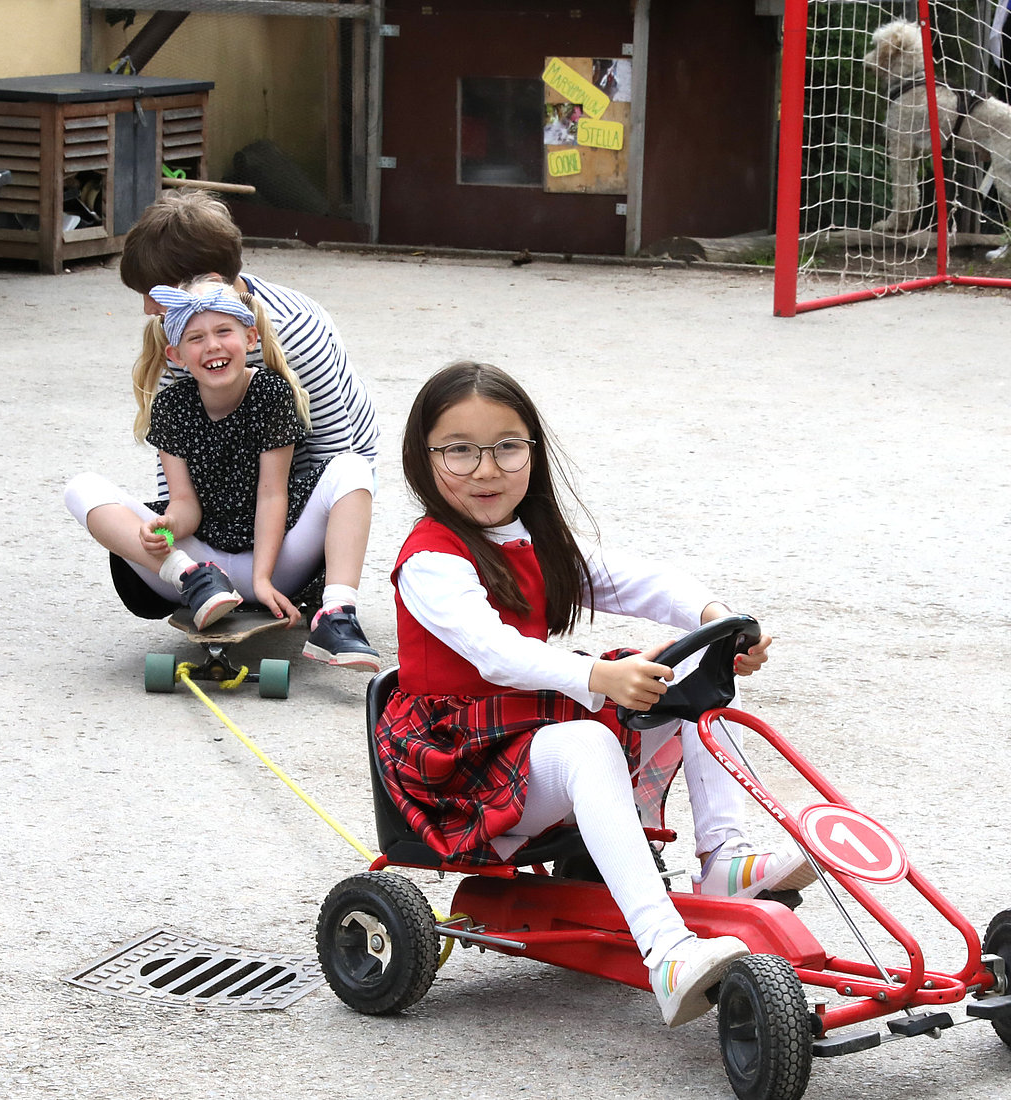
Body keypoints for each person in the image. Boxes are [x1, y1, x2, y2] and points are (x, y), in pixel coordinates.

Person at [376, 361, 814, 1027]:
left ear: (532, 451)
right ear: (423, 457)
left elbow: (637, 581)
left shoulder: (532, 538)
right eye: (459, 450)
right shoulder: (431, 560)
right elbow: (496, 652)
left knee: (691, 682)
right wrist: (597, 677)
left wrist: (717, 618)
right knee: (587, 741)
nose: (486, 469)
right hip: (460, 761)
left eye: (507, 447)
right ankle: (667, 952)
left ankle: (723, 857)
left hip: (525, 730)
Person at [65, 280, 379, 670]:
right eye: (196, 338)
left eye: (223, 331)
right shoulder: (171, 406)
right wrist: (167, 526)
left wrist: (263, 579)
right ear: (177, 355)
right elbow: (184, 504)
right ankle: (189, 577)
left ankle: (336, 615)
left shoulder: (271, 393)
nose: (212, 346)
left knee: (352, 468)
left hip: (274, 561)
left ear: (250, 338)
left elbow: (272, 496)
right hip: (197, 566)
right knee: (81, 488)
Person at [119, 188, 379, 500]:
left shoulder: (294, 330)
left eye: (155, 292)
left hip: (310, 474)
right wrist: (174, 522)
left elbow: (331, 452)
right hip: (234, 479)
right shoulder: (173, 330)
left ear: (211, 282)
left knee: (347, 473)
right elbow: (175, 464)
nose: (148, 308)